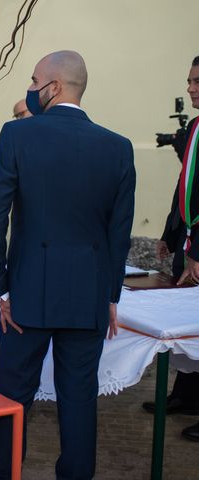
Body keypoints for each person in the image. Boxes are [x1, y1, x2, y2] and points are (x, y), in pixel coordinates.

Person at [0, 50, 135, 479]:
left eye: (33, 81)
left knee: (14, 394)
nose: (30, 90)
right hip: (88, 293)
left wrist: (0, 289)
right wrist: (110, 297)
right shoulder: (119, 147)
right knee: (79, 398)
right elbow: (118, 235)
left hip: (27, 291)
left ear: (55, 87)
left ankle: (5, 473)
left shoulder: (16, 137)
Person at [143, 55, 199, 442]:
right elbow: (187, 185)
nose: (190, 87)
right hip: (189, 238)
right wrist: (170, 232)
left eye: (196, 81)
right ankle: (187, 394)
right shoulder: (195, 126)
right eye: (190, 80)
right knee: (188, 321)